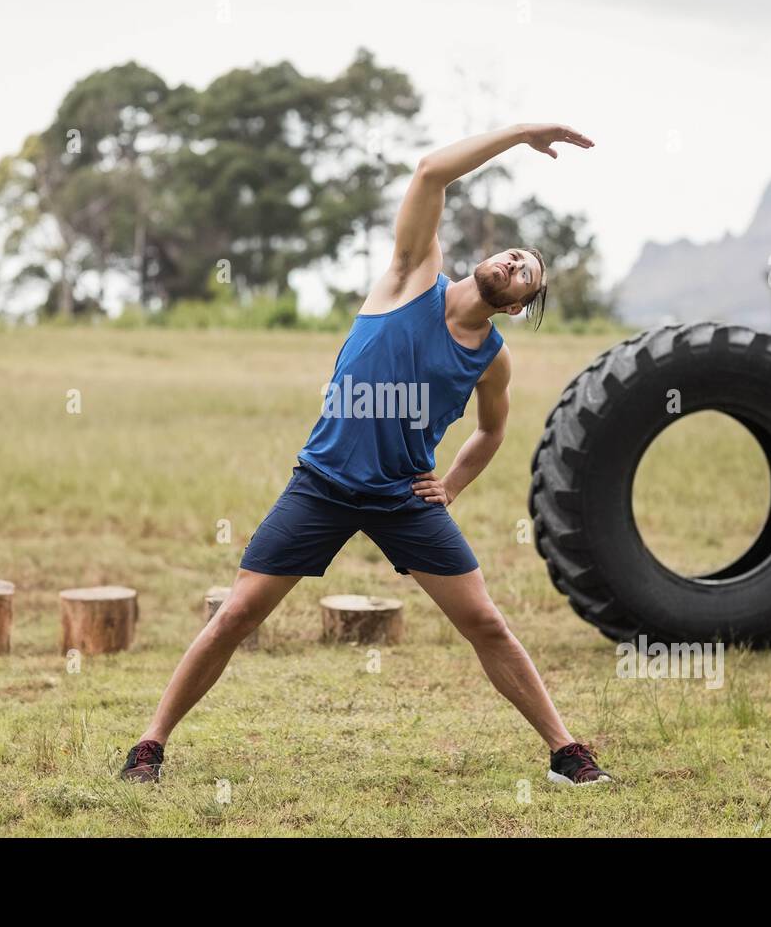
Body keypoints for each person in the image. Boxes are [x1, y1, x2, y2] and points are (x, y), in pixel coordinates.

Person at [121, 123, 611, 787]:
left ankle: (564, 752)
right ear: (490, 257)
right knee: (238, 612)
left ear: (521, 304)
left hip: (403, 497)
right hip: (322, 482)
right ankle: (150, 745)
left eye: (528, 273)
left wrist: (453, 487)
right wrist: (522, 133)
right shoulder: (412, 277)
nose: (516, 265)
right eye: (515, 254)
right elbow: (432, 171)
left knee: (485, 621)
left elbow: (492, 432)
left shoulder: (492, 360)